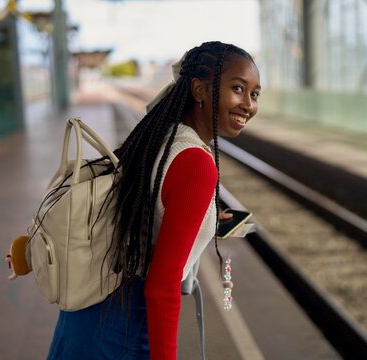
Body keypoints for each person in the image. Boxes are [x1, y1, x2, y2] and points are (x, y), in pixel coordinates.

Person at [46, 41, 261, 359]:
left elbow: (144, 206)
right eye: (238, 88)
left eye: (255, 94)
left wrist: (200, 221)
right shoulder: (196, 164)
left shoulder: (158, 138)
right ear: (199, 91)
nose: (248, 104)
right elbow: (162, 286)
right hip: (123, 326)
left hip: (85, 314)